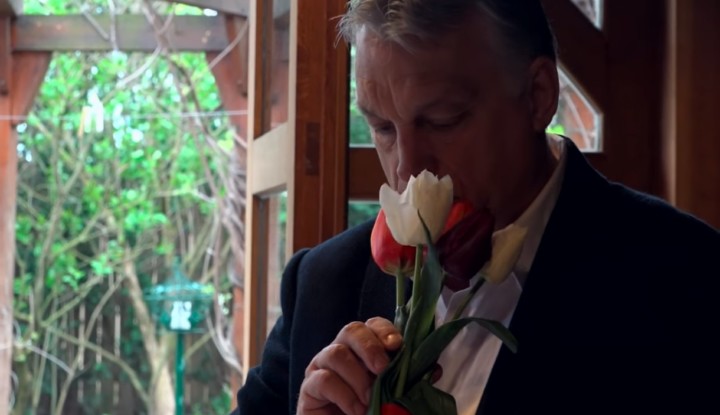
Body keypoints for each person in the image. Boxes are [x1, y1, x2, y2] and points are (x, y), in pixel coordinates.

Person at [233, 1, 720, 414]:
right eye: (382, 128)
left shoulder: (688, 280)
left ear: (538, 96)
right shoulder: (323, 284)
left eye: (442, 121)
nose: (407, 170)